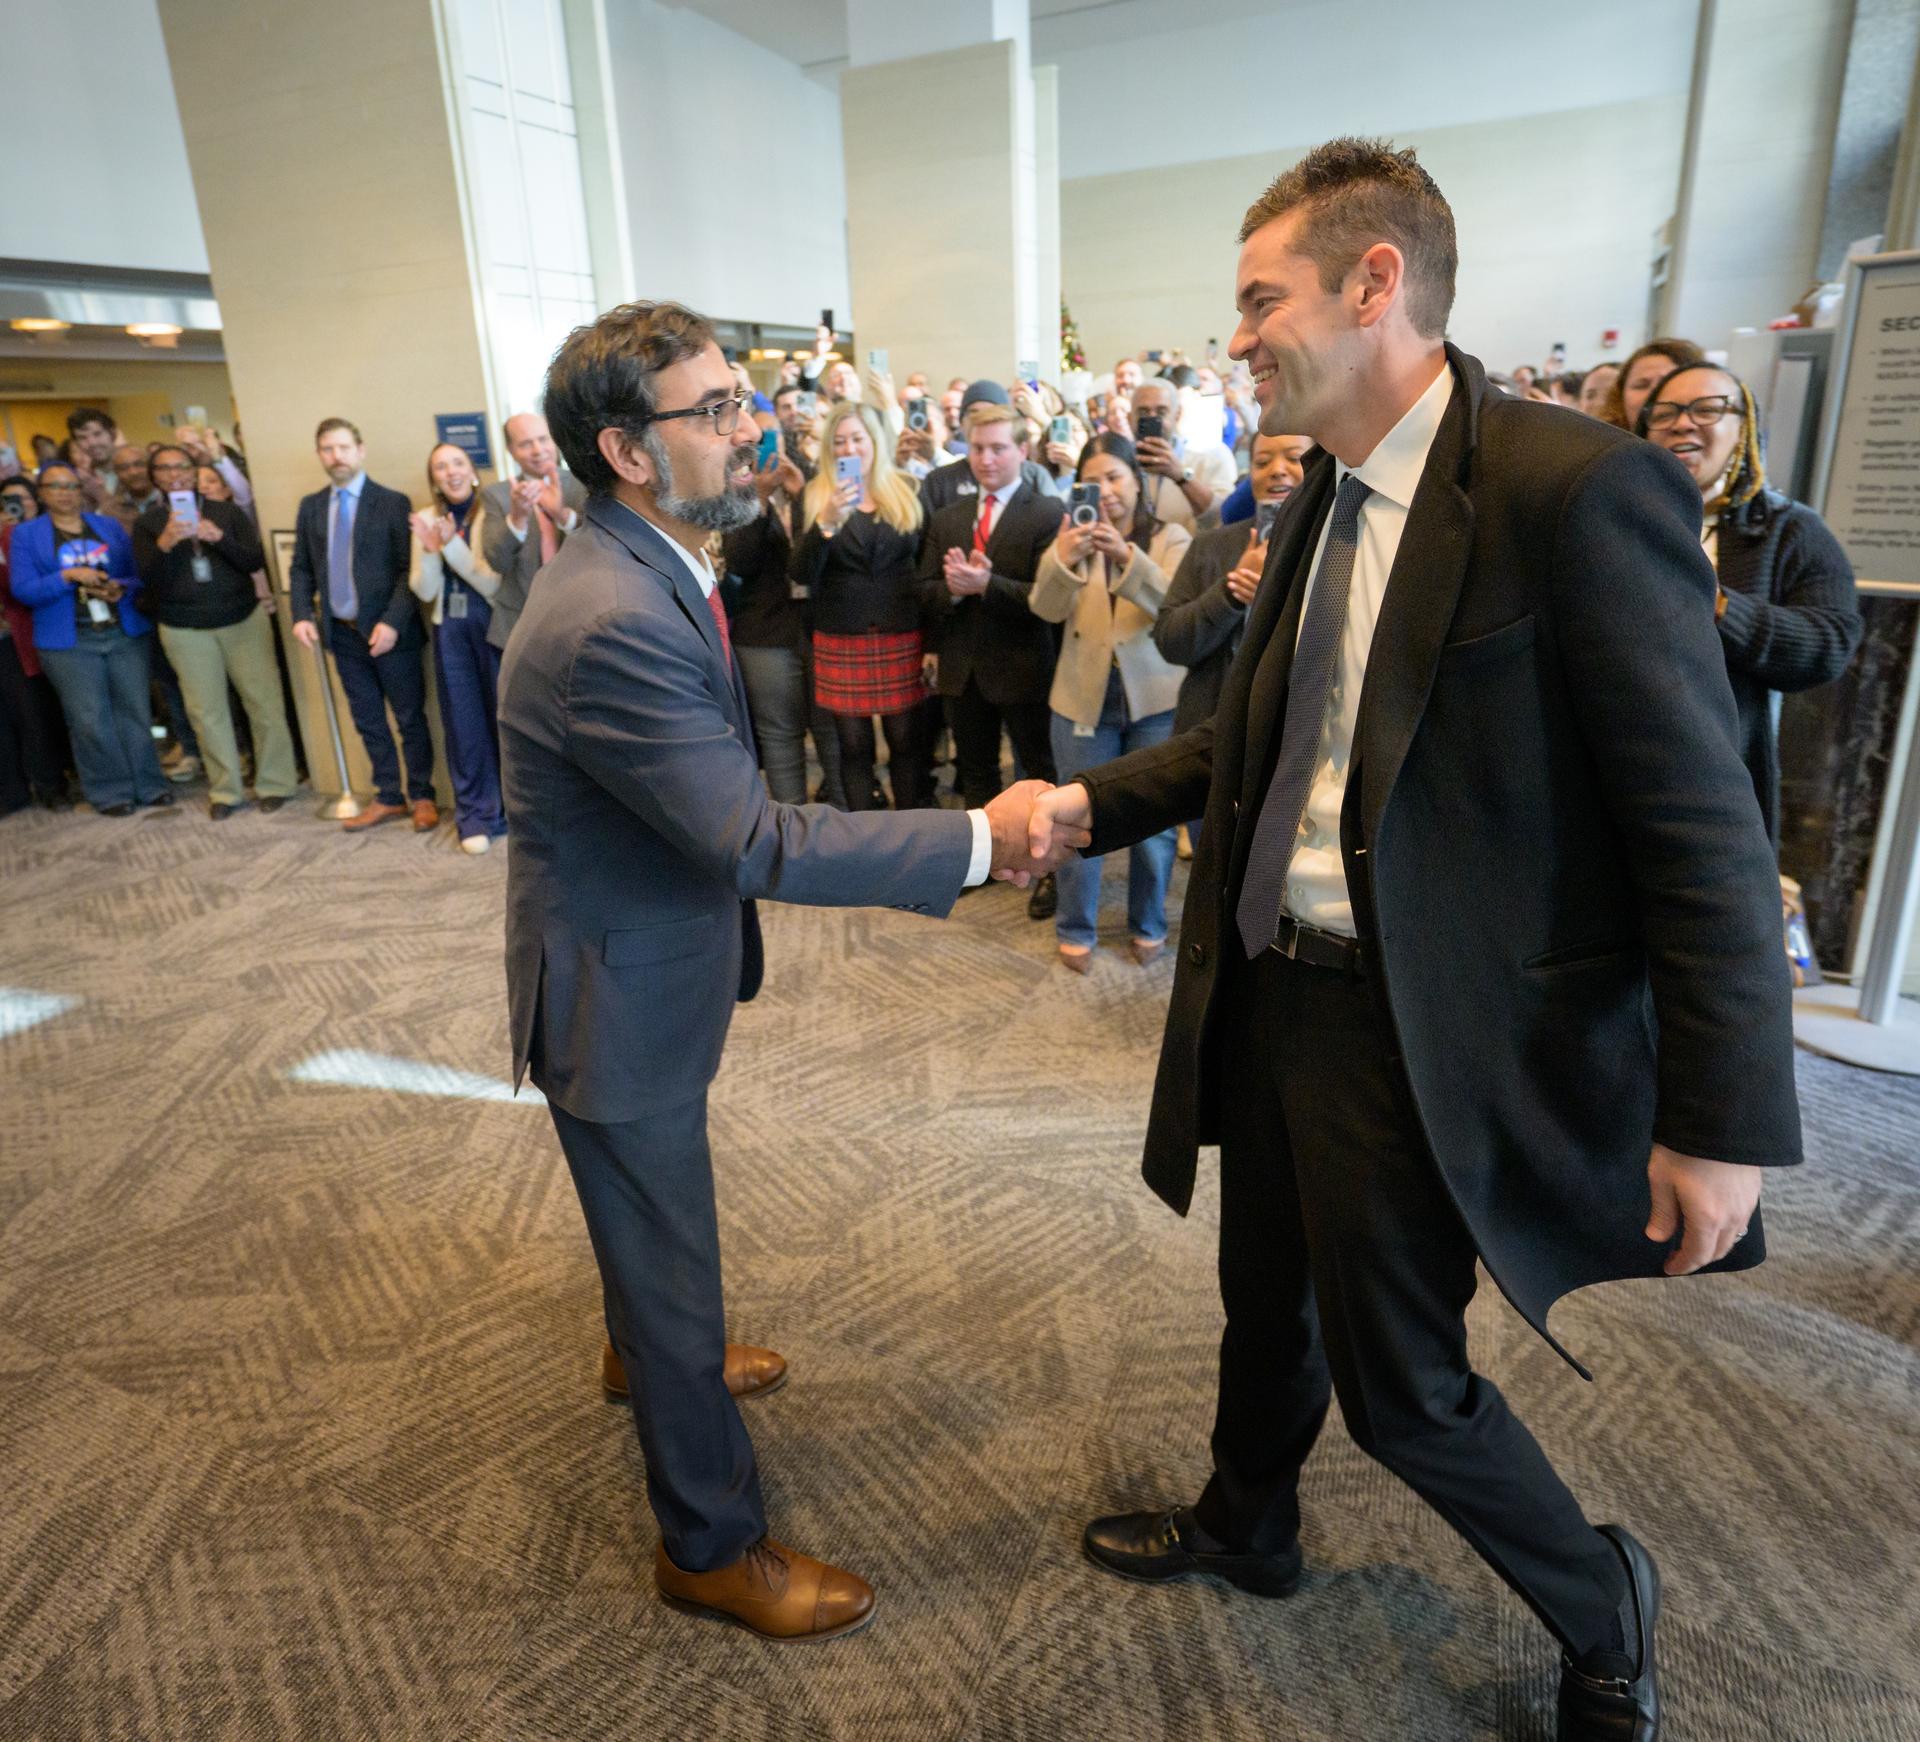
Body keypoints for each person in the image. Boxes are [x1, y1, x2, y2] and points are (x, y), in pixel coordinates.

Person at [1028, 138, 1798, 1742]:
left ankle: (1601, 1601)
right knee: (1264, 1295)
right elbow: (1255, 744)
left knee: (1404, 1390)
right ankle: (1251, 1521)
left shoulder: (1571, 492)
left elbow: (1702, 829)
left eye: (1260, 298)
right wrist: (1081, 811)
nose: (1234, 335)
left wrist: (1720, 1121)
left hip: (1417, 1017)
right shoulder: (1320, 499)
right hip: (1276, 983)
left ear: (1375, 285)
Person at [498, 297, 1085, 1645]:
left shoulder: (643, 555)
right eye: (711, 411)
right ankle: (709, 1542)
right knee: (667, 1238)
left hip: (631, 949)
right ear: (626, 449)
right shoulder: (611, 614)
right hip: (614, 979)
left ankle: (649, 1352)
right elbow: (752, 834)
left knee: (647, 1215)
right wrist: (978, 837)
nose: (743, 427)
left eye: (736, 400)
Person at [1640, 362, 1862, 842]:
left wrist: (1717, 607)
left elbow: (1829, 644)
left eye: (1708, 409)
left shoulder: (1789, 530)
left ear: (1745, 427)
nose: (1682, 422)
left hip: (1719, 780)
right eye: (1666, 412)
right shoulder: (1614, 515)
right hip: (1616, 762)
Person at [1029, 434, 1190, 970]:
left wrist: (1127, 556)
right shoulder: (1069, 537)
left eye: (1115, 477)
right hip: (1082, 698)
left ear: (1137, 482)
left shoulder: (1169, 536)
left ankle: (1149, 923)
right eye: (1092, 481)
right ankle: (1076, 926)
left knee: (1155, 828)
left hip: (1155, 702)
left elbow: (1178, 607)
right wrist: (1064, 557)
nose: (1105, 491)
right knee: (1072, 821)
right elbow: (1045, 609)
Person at [919, 400, 1065, 869]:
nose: (986, 459)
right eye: (978, 448)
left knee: (1041, 775)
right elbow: (922, 590)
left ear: (1023, 450)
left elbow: (1052, 601)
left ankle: (1046, 870)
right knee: (977, 774)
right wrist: (956, 592)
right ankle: (982, 863)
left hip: (1024, 666)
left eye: (999, 448)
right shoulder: (948, 518)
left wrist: (987, 585)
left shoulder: (1046, 512)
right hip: (964, 672)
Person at [287, 418, 439, 832]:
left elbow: (408, 571)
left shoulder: (392, 502)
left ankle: (423, 795)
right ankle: (389, 796)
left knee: (409, 719)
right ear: (320, 455)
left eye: (342, 448)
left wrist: (391, 623)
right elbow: (300, 567)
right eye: (327, 449)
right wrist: (302, 615)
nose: (335, 457)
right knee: (368, 719)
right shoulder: (312, 506)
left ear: (360, 450)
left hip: (394, 636)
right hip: (342, 633)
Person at [133, 446, 297, 820]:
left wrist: (218, 537)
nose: (175, 473)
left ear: (193, 471)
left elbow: (254, 561)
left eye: (182, 466)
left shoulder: (225, 511)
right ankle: (226, 791)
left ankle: (276, 783)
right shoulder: (149, 524)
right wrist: (166, 543)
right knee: (207, 713)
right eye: (165, 468)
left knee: (265, 705)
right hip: (184, 629)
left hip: (242, 619)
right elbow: (147, 580)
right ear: (155, 476)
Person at [8, 464, 171, 816]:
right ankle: (111, 793)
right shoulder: (27, 535)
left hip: (122, 631)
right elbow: (23, 590)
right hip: (69, 642)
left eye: (72, 485)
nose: (65, 492)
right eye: (55, 486)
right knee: (90, 720)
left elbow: (134, 575)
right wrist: (66, 576)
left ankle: (151, 785)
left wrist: (120, 588)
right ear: (41, 493)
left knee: (137, 713)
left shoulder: (108, 526)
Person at [791, 401, 929, 810]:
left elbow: (924, 565)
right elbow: (799, 572)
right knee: (853, 746)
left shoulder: (907, 488)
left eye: (857, 438)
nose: (850, 448)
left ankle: (910, 829)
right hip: (841, 633)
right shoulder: (816, 495)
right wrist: (827, 523)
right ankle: (867, 840)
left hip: (900, 628)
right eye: (840, 441)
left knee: (905, 739)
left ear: (874, 441)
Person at [1154, 430, 1312, 739]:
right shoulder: (1211, 545)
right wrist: (1232, 591)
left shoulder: (1336, 542)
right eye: (1262, 462)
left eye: (1294, 458)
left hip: (1296, 734)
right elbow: (1170, 641)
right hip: (1208, 734)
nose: (1277, 469)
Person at [409, 442, 507, 853]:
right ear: (433, 478)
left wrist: (450, 547)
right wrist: (432, 551)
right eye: (439, 467)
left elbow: (492, 583)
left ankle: (517, 809)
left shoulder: (492, 510)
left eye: (457, 464)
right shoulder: (427, 518)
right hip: (449, 628)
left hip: (492, 626)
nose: (449, 472)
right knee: (464, 726)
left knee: (504, 720)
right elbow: (424, 588)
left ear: (471, 471)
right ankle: (477, 815)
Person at [480, 412, 587, 655]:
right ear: (511, 450)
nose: (538, 450)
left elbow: (601, 546)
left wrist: (562, 515)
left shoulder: (583, 485)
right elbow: (497, 561)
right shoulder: (497, 495)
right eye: (526, 444)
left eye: (543, 439)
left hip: (579, 619)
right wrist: (517, 518)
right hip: (519, 624)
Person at [0, 476, 74, 812]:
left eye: (20, 499)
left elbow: (20, 587)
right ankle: (11, 792)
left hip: (21, 636)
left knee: (33, 713)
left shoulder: (19, 537)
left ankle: (50, 784)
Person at [1113, 378, 1236, 529]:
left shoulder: (1211, 457)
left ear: (1177, 415)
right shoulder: (1117, 462)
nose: (1152, 418)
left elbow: (1224, 519)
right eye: (1143, 412)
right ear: (1130, 418)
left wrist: (1181, 476)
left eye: (1161, 412)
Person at [921, 381, 1056, 514]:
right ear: (961, 423)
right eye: (973, 413)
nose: (981, 419)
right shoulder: (939, 481)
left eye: (991, 412)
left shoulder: (1034, 476)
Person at [1606, 337, 1705, 431]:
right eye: (1641, 385)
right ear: (1620, 397)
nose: (1653, 392)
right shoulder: (1604, 445)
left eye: (1666, 382)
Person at [63, 408, 121, 510]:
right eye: (82, 438)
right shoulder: (81, 478)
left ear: (112, 433)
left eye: (97, 434)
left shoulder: (135, 469)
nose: (92, 443)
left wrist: (99, 493)